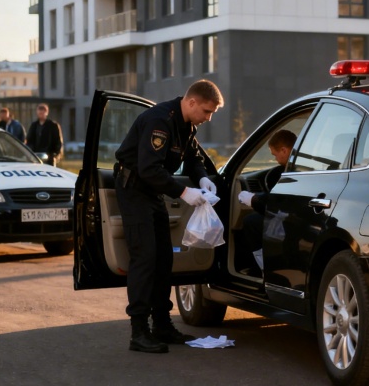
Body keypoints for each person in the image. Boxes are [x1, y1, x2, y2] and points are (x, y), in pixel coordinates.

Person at [114, 79, 223, 353]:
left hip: (152, 193)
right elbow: (149, 169)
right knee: (145, 258)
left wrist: (202, 179)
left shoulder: (186, 125)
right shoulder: (160, 121)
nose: (208, 118)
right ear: (192, 102)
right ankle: (139, 332)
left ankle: (162, 324)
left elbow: (194, 157)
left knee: (164, 258)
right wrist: (185, 193)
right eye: (207, 112)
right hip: (135, 190)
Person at [236, 129, 297, 277]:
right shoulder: (304, 165)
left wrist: (253, 200)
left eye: (275, 155)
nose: (276, 159)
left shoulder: (294, 170)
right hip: (299, 218)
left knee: (251, 221)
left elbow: (278, 203)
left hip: (293, 221)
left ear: (284, 150)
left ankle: (265, 270)